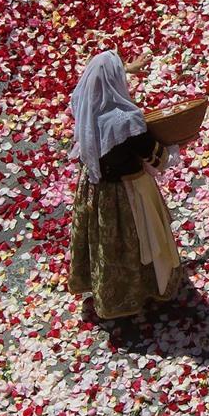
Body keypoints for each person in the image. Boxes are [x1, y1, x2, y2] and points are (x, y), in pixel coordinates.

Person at [66, 49, 183, 323]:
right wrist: (175, 147)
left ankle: (104, 292)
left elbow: (97, 73)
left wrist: (127, 67)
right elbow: (155, 156)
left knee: (104, 243)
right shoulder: (125, 121)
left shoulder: (83, 102)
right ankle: (143, 291)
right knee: (140, 240)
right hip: (129, 191)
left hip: (96, 188)